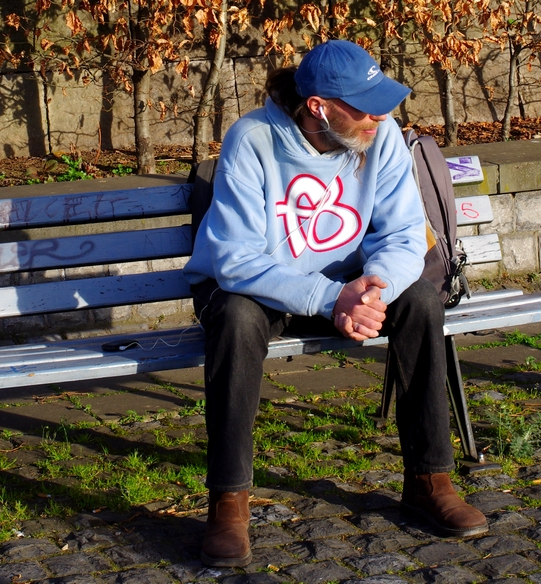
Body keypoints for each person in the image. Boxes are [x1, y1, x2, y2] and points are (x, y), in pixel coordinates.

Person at [183, 39, 488, 568]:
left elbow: (403, 235)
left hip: (348, 285)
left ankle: (429, 479)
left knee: (420, 300)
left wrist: (373, 288)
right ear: (318, 107)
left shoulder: (382, 136)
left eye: (382, 104)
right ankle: (228, 501)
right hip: (255, 286)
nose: (380, 116)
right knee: (234, 318)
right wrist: (330, 298)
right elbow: (234, 259)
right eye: (364, 107)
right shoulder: (252, 139)